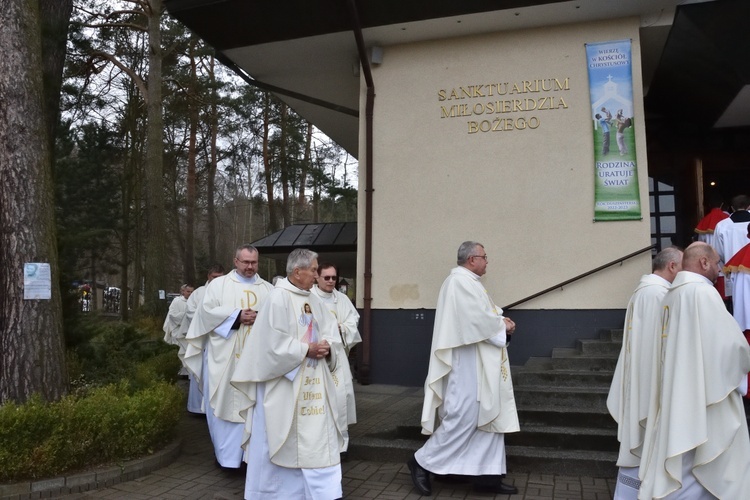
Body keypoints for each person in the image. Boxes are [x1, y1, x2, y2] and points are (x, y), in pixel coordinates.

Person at [639, 242, 750, 499]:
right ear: (703, 262)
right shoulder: (703, 294)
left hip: (680, 388)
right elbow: (732, 348)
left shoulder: (672, 294)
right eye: (717, 262)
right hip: (703, 394)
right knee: (707, 456)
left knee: (684, 456)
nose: (720, 269)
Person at [408, 241, 520, 496]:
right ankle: (421, 462)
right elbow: (477, 321)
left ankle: (487, 477)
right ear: (472, 259)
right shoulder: (459, 282)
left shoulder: (472, 283)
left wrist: (501, 321)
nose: (487, 261)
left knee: (489, 416)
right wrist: (502, 325)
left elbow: (485, 316)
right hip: (466, 366)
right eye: (484, 256)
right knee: (463, 418)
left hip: (481, 364)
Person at [231, 248, 344, 499]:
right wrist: (306, 349)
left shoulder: (312, 298)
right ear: (297, 271)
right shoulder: (278, 298)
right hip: (284, 385)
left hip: (314, 382)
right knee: (279, 440)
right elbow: (270, 346)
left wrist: (327, 348)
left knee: (318, 443)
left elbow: (330, 333)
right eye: (314, 270)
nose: (316, 276)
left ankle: (324, 492)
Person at [183, 245, 273, 470]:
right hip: (226, 361)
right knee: (225, 407)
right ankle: (227, 459)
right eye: (245, 262)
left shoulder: (269, 290)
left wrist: (259, 317)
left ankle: (251, 459)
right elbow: (205, 315)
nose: (250, 267)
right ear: (235, 261)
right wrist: (236, 316)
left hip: (257, 363)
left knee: (255, 408)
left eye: (254, 262)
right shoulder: (218, 286)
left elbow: (278, 319)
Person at [606, 247, 683, 500]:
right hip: (649, 381)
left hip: (642, 379)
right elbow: (656, 348)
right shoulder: (657, 294)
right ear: (672, 266)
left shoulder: (645, 291)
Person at [311, 262, 362, 451]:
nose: (331, 281)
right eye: (327, 277)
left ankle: (341, 444)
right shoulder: (310, 297)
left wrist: (342, 328)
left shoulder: (341, 298)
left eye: (334, 277)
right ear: (317, 277)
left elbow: (353, 319)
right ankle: (320, 444)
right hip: (316, 356)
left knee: (342, 396)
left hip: (338, 355)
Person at [176, 264, 225, 414]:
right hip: (203, 339)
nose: (217, 280)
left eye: (220, 277)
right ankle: (198, 408)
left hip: (223, 339)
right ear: (208, 277)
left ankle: (219, 408)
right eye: (214, 277)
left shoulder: (228, 291)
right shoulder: (199, 293)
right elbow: (191, 312)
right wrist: (209, 319)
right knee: (201, 371)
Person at [715, 194, 750, 310]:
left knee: (738, 306)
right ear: (748, 206)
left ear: (732, 208)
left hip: (734, 273)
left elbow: (718, 253)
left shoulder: (722, 226)